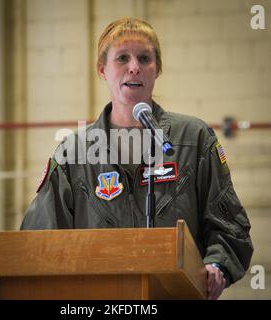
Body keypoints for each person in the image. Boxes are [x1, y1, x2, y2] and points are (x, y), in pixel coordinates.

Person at [21, 18, 253, 300]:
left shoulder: (194, 139)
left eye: (144, 58)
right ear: (102, 69)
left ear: (157, 70)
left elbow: (230, 227)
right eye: (122, 58)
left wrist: (217, 265)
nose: (134, 67)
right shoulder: (73, 153)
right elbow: (37, 241)